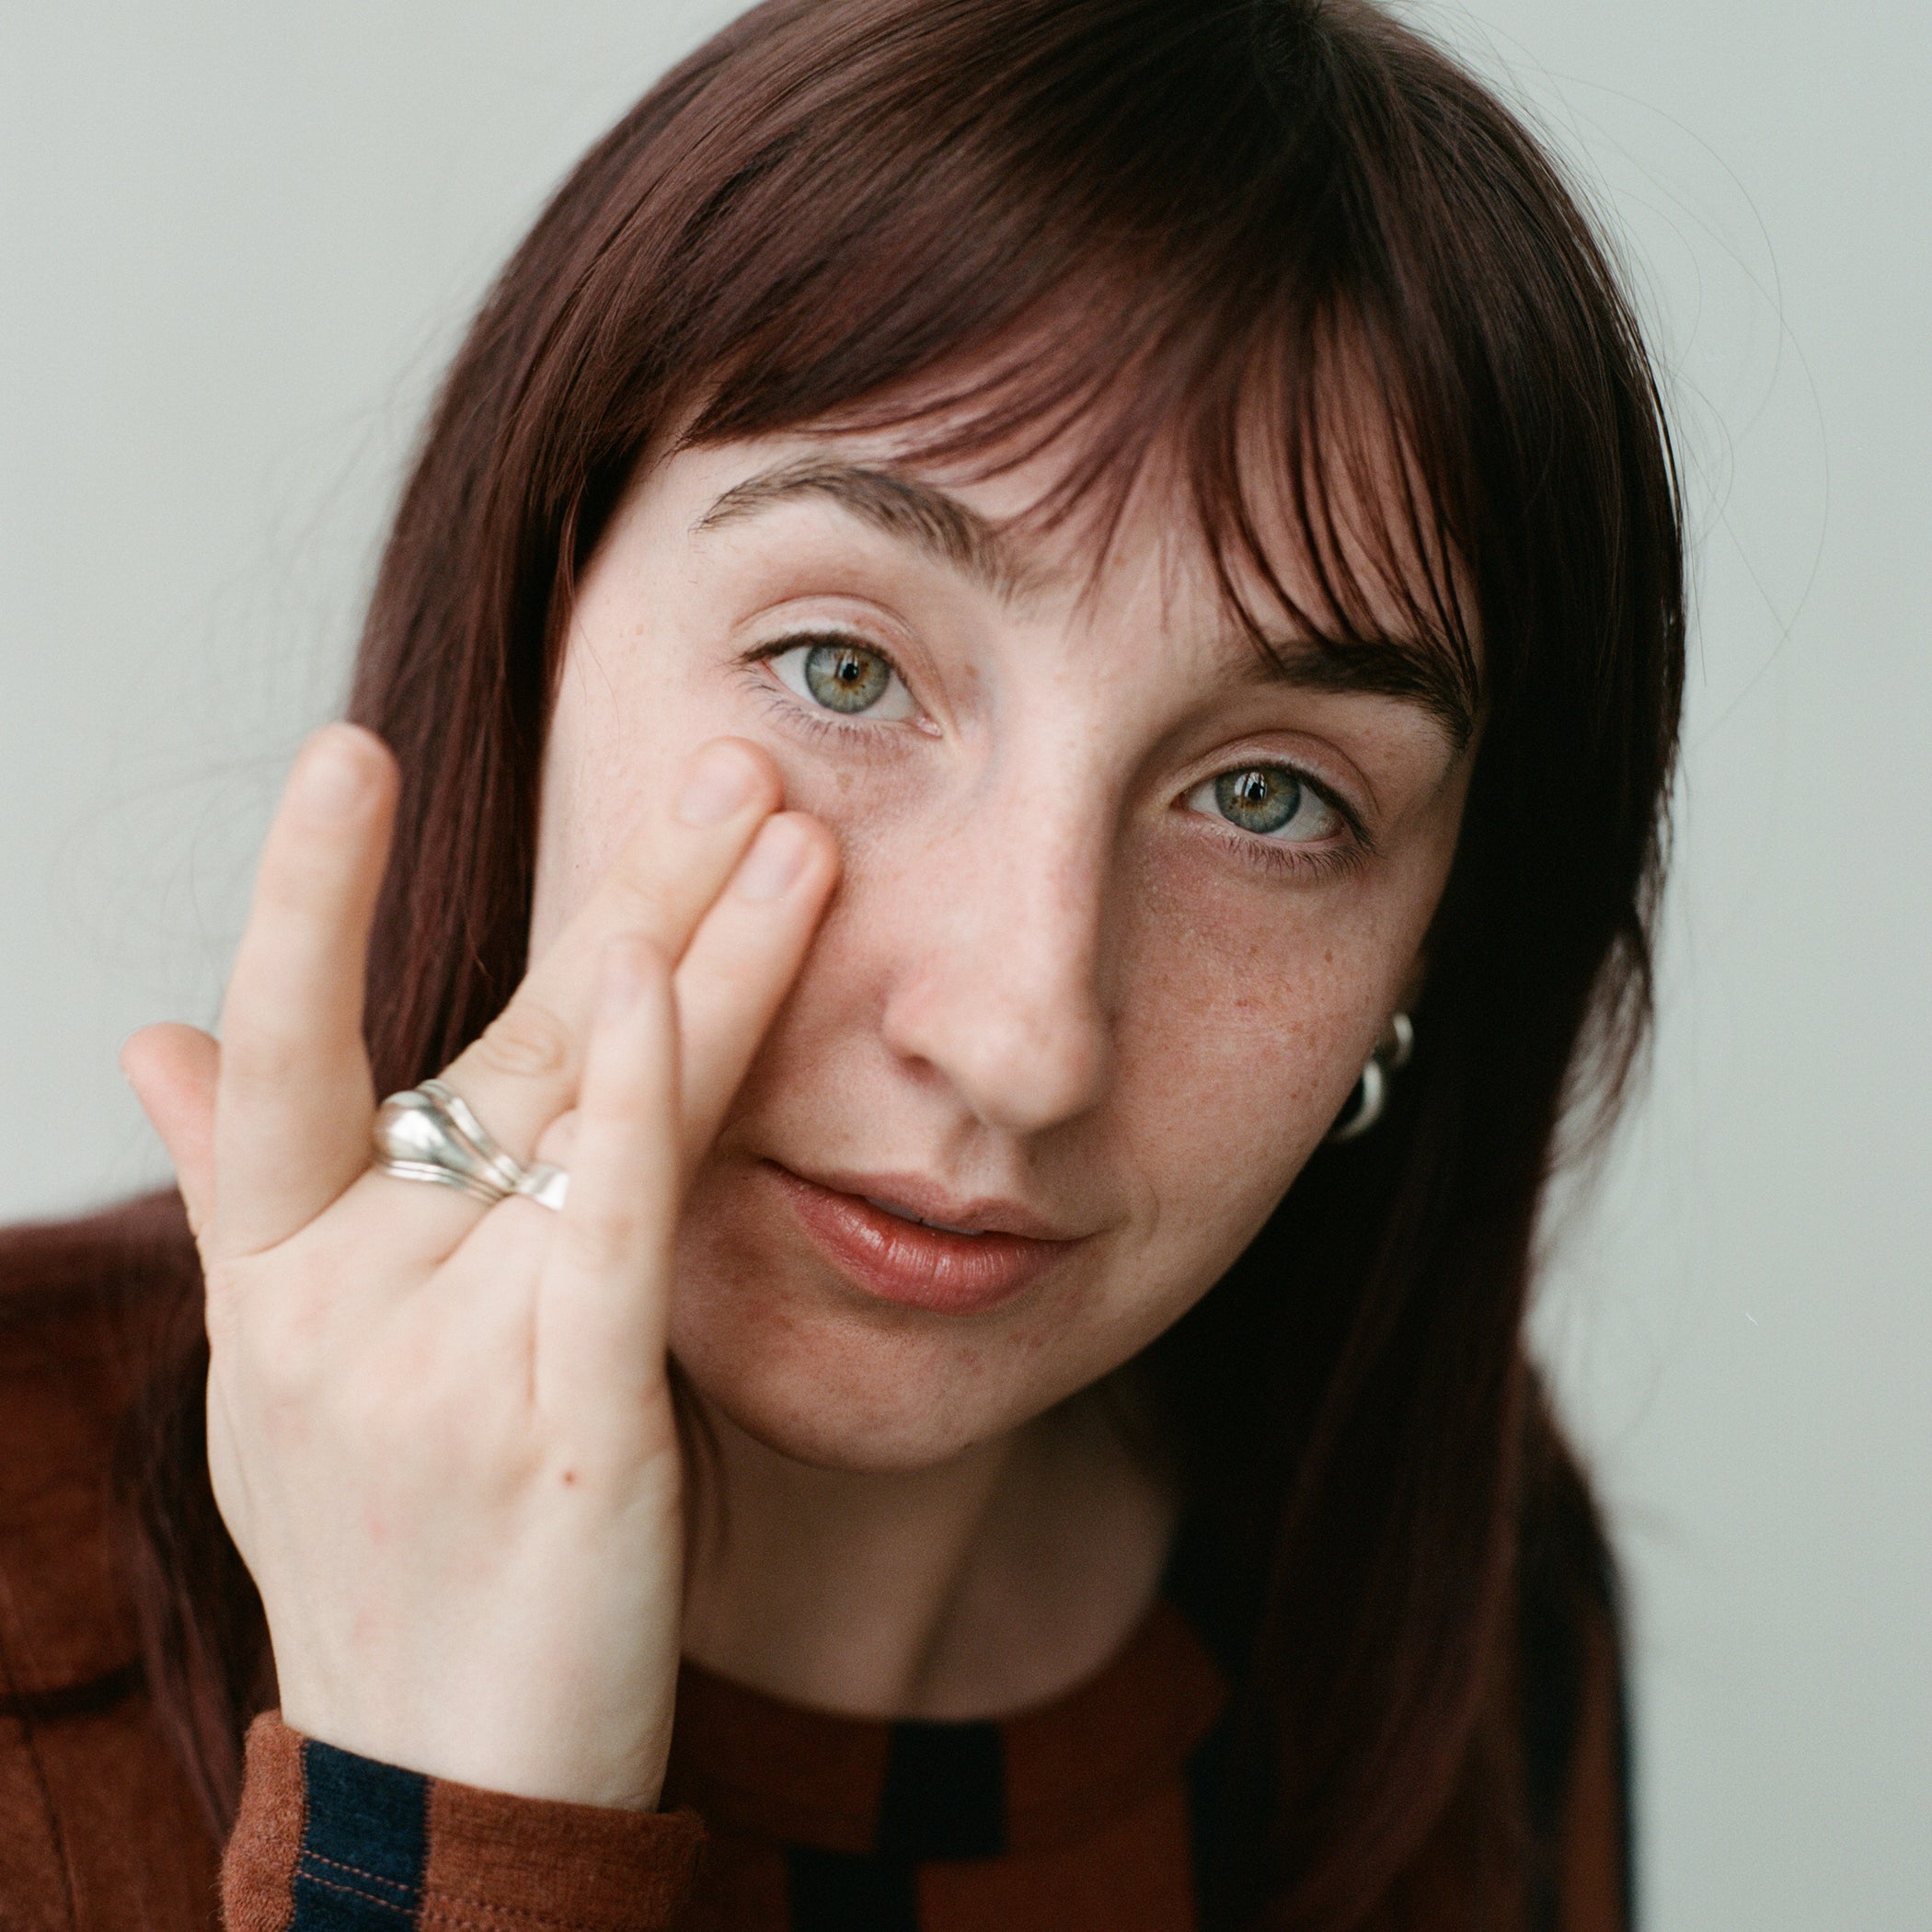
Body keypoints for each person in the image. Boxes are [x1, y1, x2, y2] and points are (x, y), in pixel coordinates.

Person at [0, 0, 1683, 1926]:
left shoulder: (1444, 1608)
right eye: (845, 670)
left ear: (1432, 944)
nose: (1020, 1036)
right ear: (537, 628)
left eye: (1270, 798)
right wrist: (428, 1821)